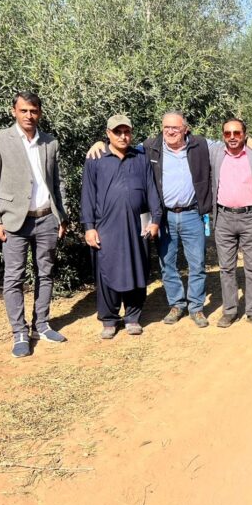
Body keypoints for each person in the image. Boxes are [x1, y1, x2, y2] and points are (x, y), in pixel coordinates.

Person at [86, 115, 252, 329]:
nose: (170, 131)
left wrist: (249, 140)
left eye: (175, 127)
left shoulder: (200, 145)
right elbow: (121, 146)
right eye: (166, 127)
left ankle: (196, 307)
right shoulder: (150, 147)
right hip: (165, 216)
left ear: (185, 129)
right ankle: (176, 305)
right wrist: (100, 142)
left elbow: (230, 140)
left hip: (192, 214)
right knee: (168, 264)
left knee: (197, 263)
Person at [0, 91, 69, 357]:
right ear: (14, 111)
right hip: (14, 222)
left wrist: (61, 216)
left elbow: (58, 183)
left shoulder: (49, 142)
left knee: (46, 273)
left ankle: (41, 324)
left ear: (39, 112)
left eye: (33, 111)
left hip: (46, 219)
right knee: (14, 277)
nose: (29, 116)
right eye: (24, 111)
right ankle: (19, 332)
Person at [81, 115, 162, 339]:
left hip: (139, 224)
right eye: (118, 132)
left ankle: (133, 317)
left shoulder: (140, 158)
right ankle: (109, 319)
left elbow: (151, 190)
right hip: (106, 226)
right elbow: (87, 195)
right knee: (106, 270)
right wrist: (89, 226)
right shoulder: (96, 159)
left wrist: (155, 220)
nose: (123, 136)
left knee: (137, 268)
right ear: (108, 134)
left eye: (126, 131)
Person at [210, 117, 252, 328]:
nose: (232, 137)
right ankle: (229, 311)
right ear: (222, 136)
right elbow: (185, 137)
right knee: (226, 268)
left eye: (237, 133)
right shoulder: (216, 152)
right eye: (228, 133)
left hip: (251, 217)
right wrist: (100, 143)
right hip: (224, 218)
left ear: (245, 135)